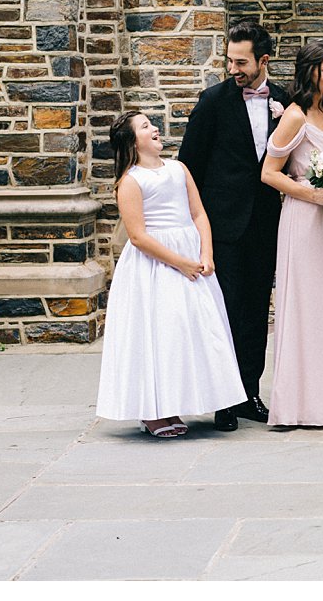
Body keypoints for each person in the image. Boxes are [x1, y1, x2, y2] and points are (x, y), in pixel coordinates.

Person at [97, 111, 247, 437]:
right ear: (131, 141)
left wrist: (205, 252)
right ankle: (152, 411)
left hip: (191, 257)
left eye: (151, 123)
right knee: (156, 332)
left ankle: (176, 403)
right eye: (145, 126)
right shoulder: (130, 182)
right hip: (155, 265)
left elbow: (198, 213)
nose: (154, 129)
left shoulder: (179, 169)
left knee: (185, 334)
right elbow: (138, 236)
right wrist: (179, 262)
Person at [178, 19, 288, 431]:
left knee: (256, 312)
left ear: (264, 60)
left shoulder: (284, 100)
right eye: (229, 60)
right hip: (222, 226)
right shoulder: (212, 101)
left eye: (241, 62)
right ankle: (223, 400)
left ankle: (249, 392)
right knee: (224, 312)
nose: (233, 69)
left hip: (265, 224)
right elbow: (188, 166)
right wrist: (194, 226)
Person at [261, 41, 323, 427]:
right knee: (307, 307)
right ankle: (301, 404)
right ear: (309, 70)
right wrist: (311, 193)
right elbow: (269, 172)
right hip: (305, 219)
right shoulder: (294, 116)